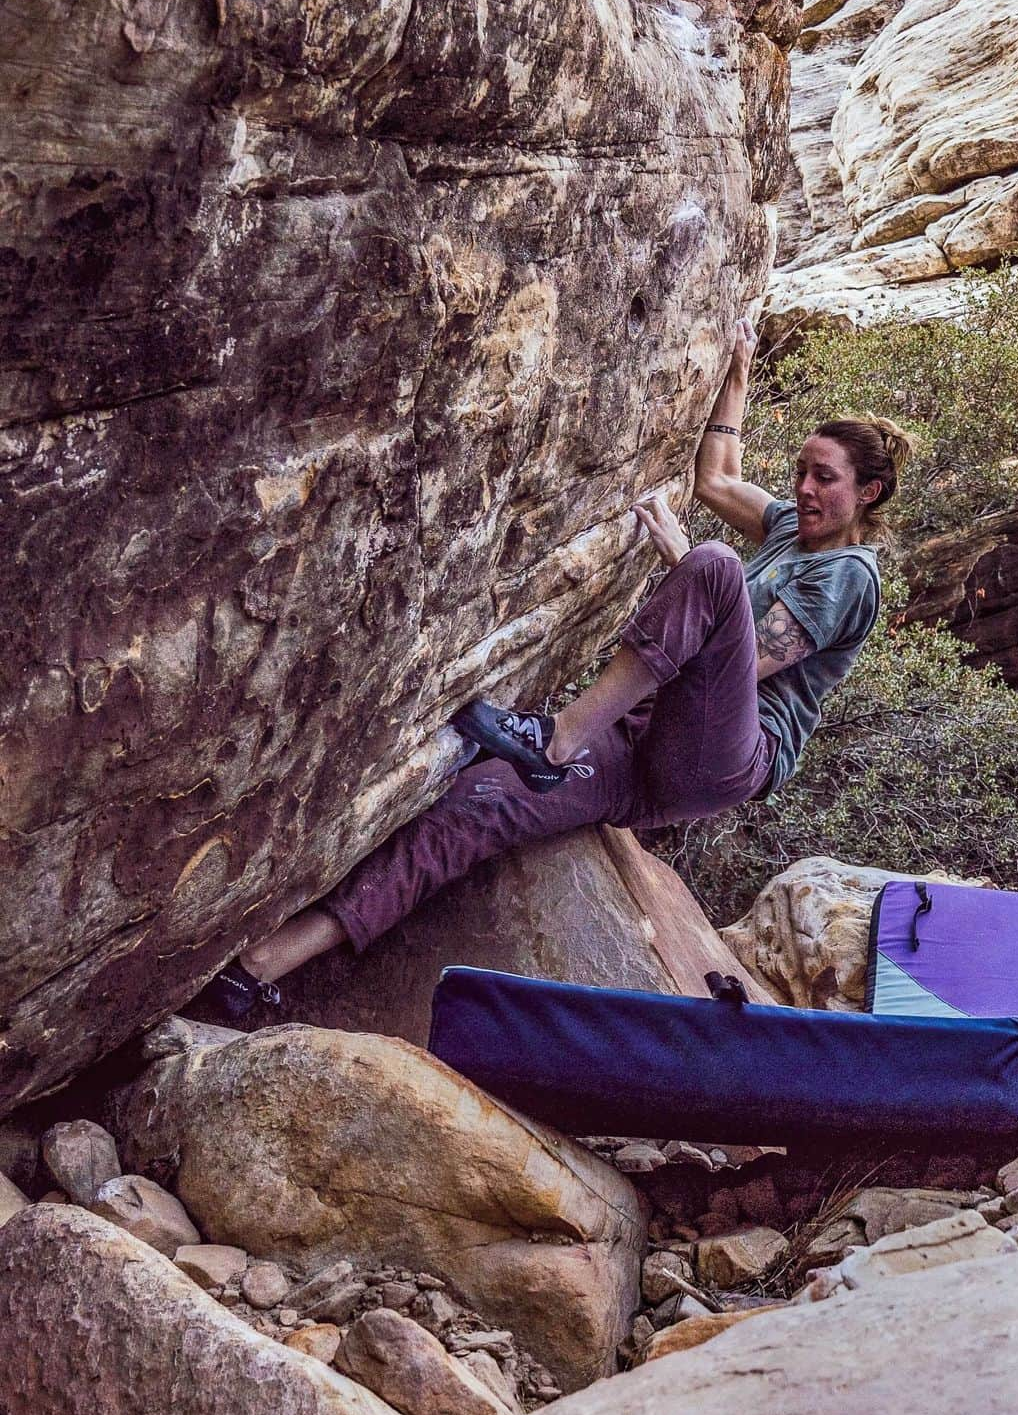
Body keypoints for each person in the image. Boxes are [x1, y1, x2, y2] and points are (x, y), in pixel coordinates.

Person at [209, 319, 914, 1018]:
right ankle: (261, 965)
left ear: (870, 492)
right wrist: (737, 370)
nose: (804, 488)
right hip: (645, 745)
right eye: (800, 471)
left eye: (824, 478)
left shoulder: (850, 573)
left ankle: (554, 738)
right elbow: (717, 477)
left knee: (714, 564)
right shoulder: (793, 527)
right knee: (475, 806)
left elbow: (742, 662)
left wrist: (683, 560)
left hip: (725, 755)